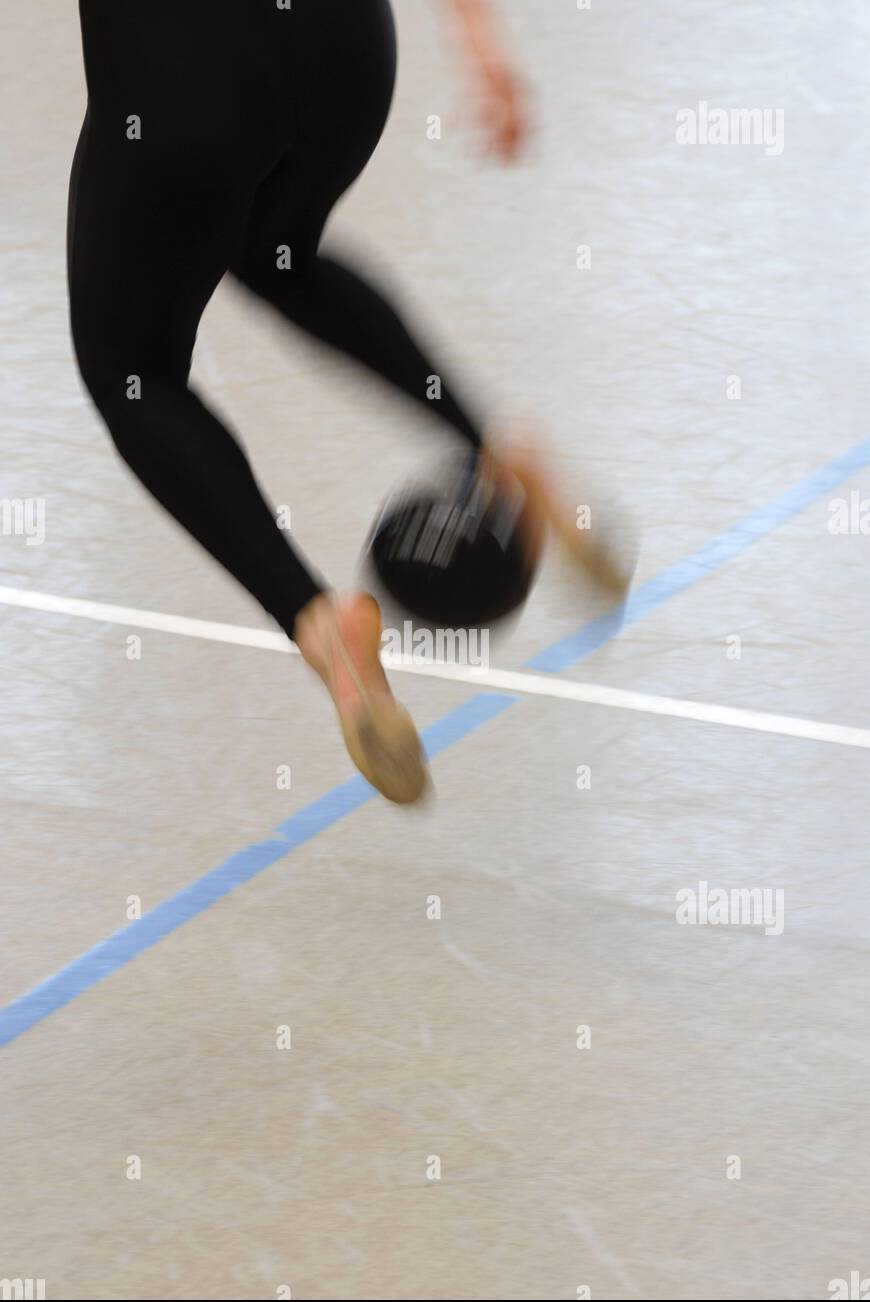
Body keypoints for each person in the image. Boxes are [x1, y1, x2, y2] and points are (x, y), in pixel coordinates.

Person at [68, 0, 622, 805]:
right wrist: (485, 50)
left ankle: (322, 624)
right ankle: (495, 446)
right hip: (346, 54)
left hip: (187, 80)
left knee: (132, 373)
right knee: (276, 252)